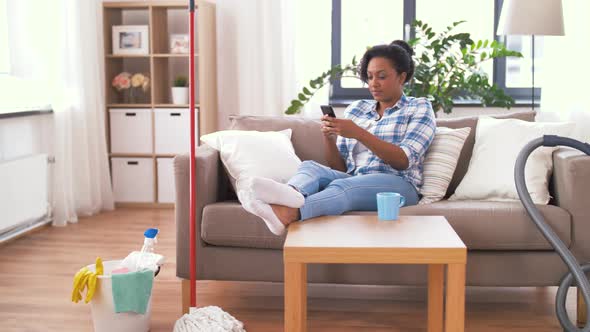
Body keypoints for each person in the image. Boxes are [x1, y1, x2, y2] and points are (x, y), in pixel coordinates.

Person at [238, 40, 436, 236]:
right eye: (369, 77)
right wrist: (329, 137)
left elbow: (403, 160)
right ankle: (291, 193)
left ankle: (287, 212)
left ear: (401, 77)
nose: (373, 83)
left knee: (343, 187)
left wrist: (359, 133)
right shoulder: (357, 109)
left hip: (399, 185)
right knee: (311, 167)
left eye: (382, 77)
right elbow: (340, 169)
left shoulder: (418, 107)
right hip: (356, 178)